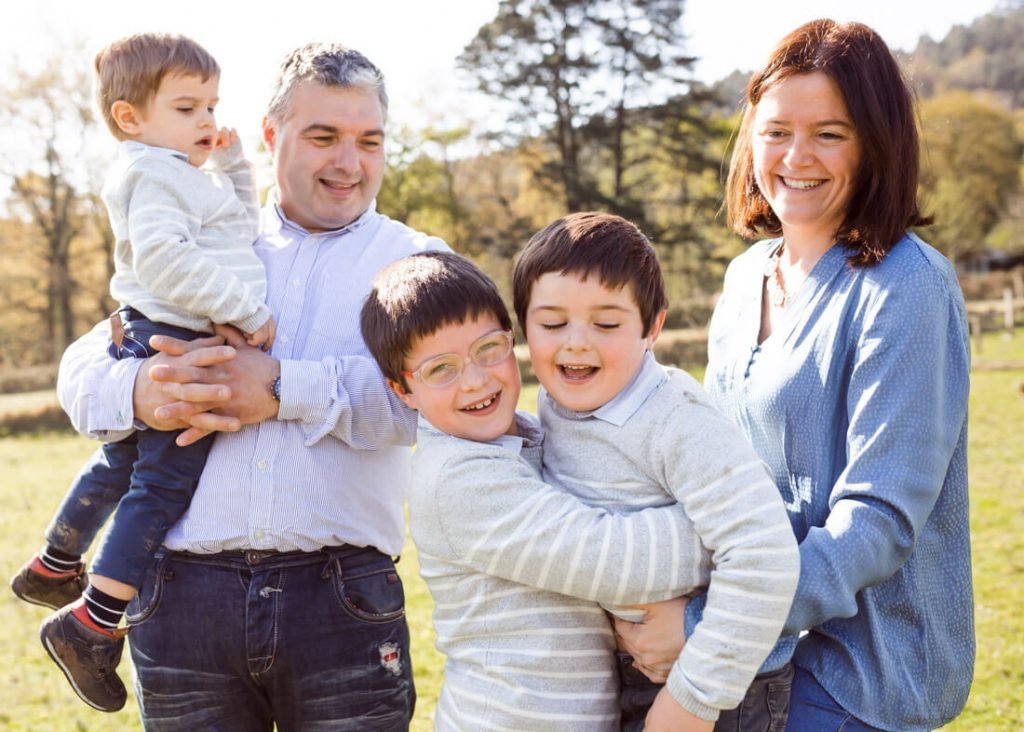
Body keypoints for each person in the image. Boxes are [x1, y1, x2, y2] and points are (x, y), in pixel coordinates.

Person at [49, 42, 447, 730]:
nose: (348, 163)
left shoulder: (419, 263)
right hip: (178, 601)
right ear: (270, 135)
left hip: (342, 598)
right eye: (323, 137)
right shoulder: (200, 236)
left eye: (369, 141)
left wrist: (284, 389)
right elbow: (81, 373)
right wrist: (142, 390)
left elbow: (435, 408)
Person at [615, 19, 973, 732]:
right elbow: (710, 470)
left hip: (859, 678)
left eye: (830, 133)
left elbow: (876, 522)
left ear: (876, 143)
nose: (795, 156)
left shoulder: (907, 287)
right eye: (776, 130)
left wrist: (706, 621)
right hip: (752, 653)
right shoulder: (746, 278)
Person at [360, 250, 797, 731]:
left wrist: (741, 520)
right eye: (440, 369)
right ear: (402, 390)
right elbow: (614, 560)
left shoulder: (530, 433)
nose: (476, 379)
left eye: (489, 349)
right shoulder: (456, 481)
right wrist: (740, 528)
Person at [9, 32, 275, 713]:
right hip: (176, 341)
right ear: (131, 118)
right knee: (162, 485)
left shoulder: (179, 172)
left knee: (121, 465)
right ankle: (91, 624)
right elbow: (165, 261)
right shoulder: (150, 173)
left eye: (213, 105)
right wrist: (244, 308)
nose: (208, 121)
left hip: (169, 330)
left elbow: (232, 228)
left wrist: (236, 164)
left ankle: (55, 563)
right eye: (188, 108)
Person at [510, 212, 800, 731]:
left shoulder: (676, 419)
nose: (576, 342)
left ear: (652, 327)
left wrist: (694, 697)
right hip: (628, 665)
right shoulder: (556, 403)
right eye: (552, 324)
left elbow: (764, 554)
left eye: (606, 324)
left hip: (717, 675)